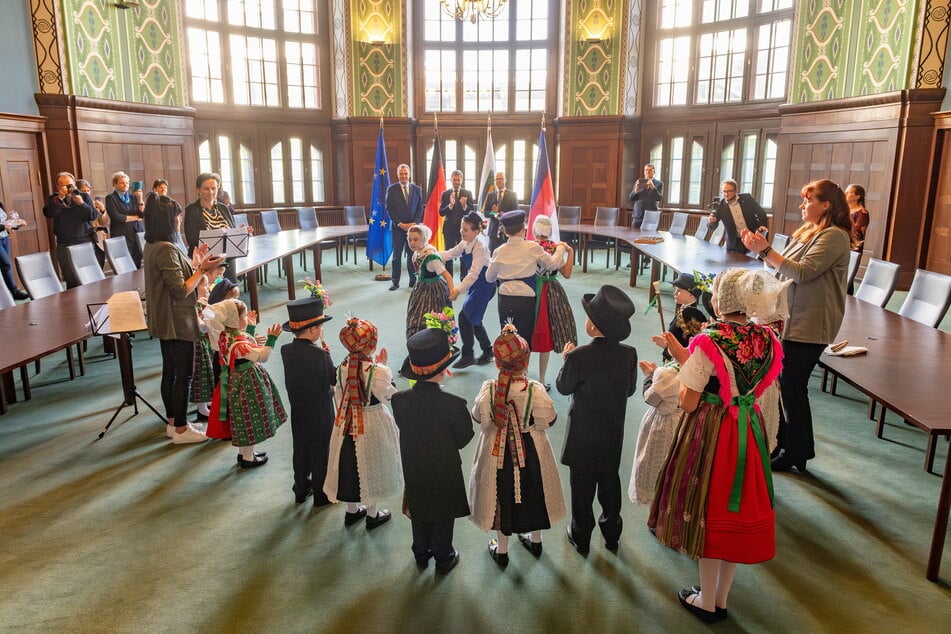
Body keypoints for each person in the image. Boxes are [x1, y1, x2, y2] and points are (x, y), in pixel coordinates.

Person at [648, 268, 787, 624]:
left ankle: (706, 600)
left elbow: (691, 399)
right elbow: (739, 382)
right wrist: (685, 355)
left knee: (710, 510)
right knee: (733, 513)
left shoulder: (712, 339)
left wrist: (677, 380)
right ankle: (721, 596)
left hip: (714, 431)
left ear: (722, 300)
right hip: (748, 429)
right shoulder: (766, 338)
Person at [741, 179, 851, 473]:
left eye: (809, 200)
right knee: (784, 386)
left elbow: (802, 273)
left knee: (792, 387)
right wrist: (759, 250)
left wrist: (766, 251)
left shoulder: (835, 237)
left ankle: (795, 450)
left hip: (811, 323)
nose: (803, 205)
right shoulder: (808, 232)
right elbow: (781, 268)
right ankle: (788, 445)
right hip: (791, 318)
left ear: (826, 205)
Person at [468, 324, 566, 566]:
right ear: (526, 361)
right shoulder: (534, 390)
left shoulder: (489, 390)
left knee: (500, 496)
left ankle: (501, 550)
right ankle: (535, 539)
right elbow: (548, 420)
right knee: (535, 491)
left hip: (496, 454)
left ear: (497, 363)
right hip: (531, 451)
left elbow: (478, 416)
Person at [556, 285, 638, 555]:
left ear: (594, 326)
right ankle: (612, 532)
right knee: (609, 482)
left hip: (582, 434)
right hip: (612, 432)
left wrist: (566, 359)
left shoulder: (579, 355)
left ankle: (581, 535)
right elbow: (630, 390)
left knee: (581, 487)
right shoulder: (629, 354)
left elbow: (564, 387)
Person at [391, 328, 474, 574]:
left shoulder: (399, 400)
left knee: (419, 507)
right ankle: (443, 555)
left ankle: (421, 552)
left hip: (414, 465)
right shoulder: (454, 404)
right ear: (444, 370)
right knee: (443, 512)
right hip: (445, 467)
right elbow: (464, 438)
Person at [142, 194, 221, 444]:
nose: (179, 220)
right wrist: (201, 270)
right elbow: (180, 290)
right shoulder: (165, 248)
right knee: (183, 374)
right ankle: (181, 431)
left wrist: (196, 263)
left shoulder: (154, 244)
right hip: (176, 320)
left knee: (171, 371)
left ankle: (174, 422)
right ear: (167, 219)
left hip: (165, 318)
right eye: (177, 216)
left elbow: (177, 277)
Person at [325, 316, 403, 529]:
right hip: (371, 422)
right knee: (371, 462)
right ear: (372, 345)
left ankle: (351, 511)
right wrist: (384, 368)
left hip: (346, 422)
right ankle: (372, 513)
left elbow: (340, 394)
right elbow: (389, 395)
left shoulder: (341, 367)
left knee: (348, 463)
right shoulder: (377, 371)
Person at [207, 298, 286, 468]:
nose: (246, 318)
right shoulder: (239, 343)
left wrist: (250, 327)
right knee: (250, 416)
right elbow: (262, 356)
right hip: (248, 383)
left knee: (242, 419)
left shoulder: (225, 336)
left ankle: (244, 454)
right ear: (235, 320)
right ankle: (248, 458)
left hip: (235, 381)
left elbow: (247, 340)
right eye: (243, 316)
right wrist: (272, 339)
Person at [280, 297, 336, 506]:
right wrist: (329, 357)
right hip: (320, 410)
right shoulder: (320, 355)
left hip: (298, 408)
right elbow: (332, 379)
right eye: (320, 326)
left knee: (301, 447)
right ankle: (322, 494)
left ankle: (301, 487)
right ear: (313, 330)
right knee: (321, 450)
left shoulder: (286, 350)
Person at [485, 210, 566, 348]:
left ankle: (509, 367)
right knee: (524, 339)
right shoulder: (532, 247)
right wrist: (560, 249)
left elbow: (489, 277)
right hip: (526, 298)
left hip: (505, 298)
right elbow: (552, 264)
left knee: (507, 337)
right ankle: (523, 368)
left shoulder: (499, 251)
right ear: (523, 229)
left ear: (505, 232)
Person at [439, 211, 496, 368]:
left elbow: (473, 274)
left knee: (465, 317)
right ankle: (487, 351)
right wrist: (432, 254)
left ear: (476, 232)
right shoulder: (464, 243)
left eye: (465, 230)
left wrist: (457, 290)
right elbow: (450, 253)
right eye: (461, 228)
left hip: (485, 285)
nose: (461, 231)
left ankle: (468, 355)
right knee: (473, 318)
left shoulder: (481, 248)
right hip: (476, 285)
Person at [529, 215, 576, 389]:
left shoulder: (530, 247)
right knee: (547, 333)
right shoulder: (556, 249)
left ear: (534, 230)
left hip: (531, 291)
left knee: (526, 331)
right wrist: (569, 251)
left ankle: (523, 375)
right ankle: (541, 380)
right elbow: (567, 273)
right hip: (552, 293)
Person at [43, 172, 99, 289]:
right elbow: (48, 213)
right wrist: (60, 198)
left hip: (84, 242)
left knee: (87, 277)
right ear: (58, 187)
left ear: (74, 184)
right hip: (64, 243)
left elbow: (93, 215)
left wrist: (81, 204)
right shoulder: (54, 199)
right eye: (63, 185)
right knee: (70, 278)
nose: (68, 188)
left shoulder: (84, 196)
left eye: (70, 184)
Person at [183, 172, 240, 282]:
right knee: (213, 295)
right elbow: (192, 239)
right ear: (198, 189)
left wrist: (239, 231)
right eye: (206, 189)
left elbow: (232, 231)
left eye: (214, 188)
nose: (210, 192)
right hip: (207, 262)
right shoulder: (192, 210)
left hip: (227, 259)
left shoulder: (224, 208)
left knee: (231, 291)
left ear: (218, 188)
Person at [405, 224, 454, 339]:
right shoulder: (418, 252)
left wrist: (452, 291)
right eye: (409, 239)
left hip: (434, 290)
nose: (412, 243)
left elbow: (446, 275)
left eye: (415, 239)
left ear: (424, 239)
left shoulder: (430, 257)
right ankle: (418, 341)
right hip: (421, 287)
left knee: (433, 317)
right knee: (416, 314)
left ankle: (435, 343)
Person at [651, 272, 709, 363]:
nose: (675, 293)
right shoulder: (685, 310)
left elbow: (691, 345)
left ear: (691, 295)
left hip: (680, 362)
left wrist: (668, 345)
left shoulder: (690, 314)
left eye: (679, 291)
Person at [385, 163, 424, 290]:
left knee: (412, 256)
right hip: (398, 229)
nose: (404, 176)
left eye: (406, 173)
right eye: (401, 174)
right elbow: (389, 209)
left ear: (409, 175)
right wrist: (400, 224)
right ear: (398, 175)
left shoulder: (417, 189)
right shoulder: (391, 189)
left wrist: (414, 223)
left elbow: (420, 209)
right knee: (396, 256)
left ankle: (413, 281)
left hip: (413, 230)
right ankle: (395, 282)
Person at [708, 179, 769, 253]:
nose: (726, 194)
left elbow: (760, 212)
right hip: (735, 244)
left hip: (753, 238)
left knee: (756, 262)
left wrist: (762, 225)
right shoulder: (721, 206)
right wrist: (711, 222)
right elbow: (712, 227)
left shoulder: (747, 198)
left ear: (736, 190)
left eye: (729, 191)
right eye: (724, 191)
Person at [439, 170, 476, 278]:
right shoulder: (446, 194)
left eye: (458, 180)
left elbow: (472, 212)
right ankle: (448, 277)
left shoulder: (467, 193)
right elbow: (441, 212)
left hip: (463, 230)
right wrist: (450, 205)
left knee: (463, 253)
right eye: (454, 180)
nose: (456, 182)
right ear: (451, 180)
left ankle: (463, 277)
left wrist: (464, 206)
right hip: (449, 229)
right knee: (449, 253)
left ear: (461, 180)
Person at [105, 171, 145, 268]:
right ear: (115, 184)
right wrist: (134, 217)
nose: (125, 185)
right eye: (122, 183)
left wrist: (140, 199)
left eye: (127, 183)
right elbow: (116, 217)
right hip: (121, 233)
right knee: (125, 264)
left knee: (137, 261)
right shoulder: (111, 198)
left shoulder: (133, 197)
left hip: (136, 232)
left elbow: (142, 215)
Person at [75, 179, 109, 269]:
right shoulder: (75, 205)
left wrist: (103, 211)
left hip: (98, 240)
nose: (86, 193)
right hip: (84, 239)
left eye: (88, 191)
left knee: (99, 266)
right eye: (83, 191)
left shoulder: (95, 204)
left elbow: (104, 223)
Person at [482, 172, 519, 252]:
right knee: (493, 256)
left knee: (507, 257)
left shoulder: (513, 195)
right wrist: (494, 213)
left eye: (501, 179)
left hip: (507, 232)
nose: (498, 181)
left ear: (505, 180)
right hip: (493, 232)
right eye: (497, 179)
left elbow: (516, 213)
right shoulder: (490, 195)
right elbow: (486, 213)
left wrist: (504, 215)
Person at [0, 202, 29, 299]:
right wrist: (4, 227)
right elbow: (3, 225)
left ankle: (9, 293)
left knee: (5, 267)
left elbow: (5, 223)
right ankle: (14, 290)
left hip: (5, 238)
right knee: (6, 264)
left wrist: (17, 225)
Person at [845, 183, 870, 295]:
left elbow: (858, 231)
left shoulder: (862, 212)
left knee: (848, 275)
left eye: (848, 192)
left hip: (853, 247)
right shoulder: (845, 210)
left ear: (857, 196)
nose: (845, 194)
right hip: (842, 244)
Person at [628, 163, 664, 229]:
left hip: (651, 215)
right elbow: (631, 198)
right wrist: (636, 190)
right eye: (646, 170)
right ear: (644, 172)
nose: (648, 172)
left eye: (650, 170)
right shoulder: (638, 182)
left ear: (654, 172)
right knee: (634, 236)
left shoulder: (659, 183)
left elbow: (659, 198)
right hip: (638, 215)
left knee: (649, 237)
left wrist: (653, 188)